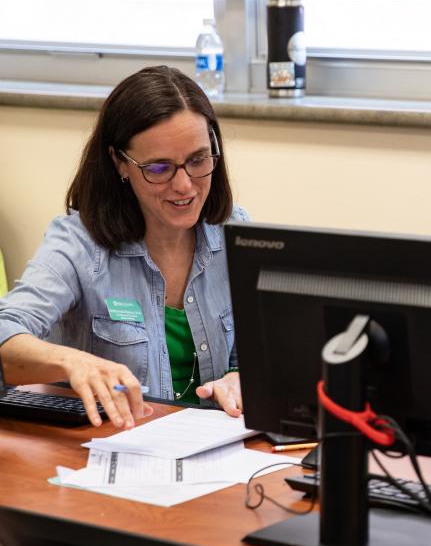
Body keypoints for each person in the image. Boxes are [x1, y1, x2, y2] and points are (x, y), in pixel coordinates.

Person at [0, 66, 248, 429]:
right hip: (112, 451)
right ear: (120, 163)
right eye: (160, 168)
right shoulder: (80, 243)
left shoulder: (236, 234)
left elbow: (264, 354)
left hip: (220, 453)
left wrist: (242, 379)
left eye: (198, 160)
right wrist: (72, 362)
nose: (185, 185)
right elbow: (6, 329)